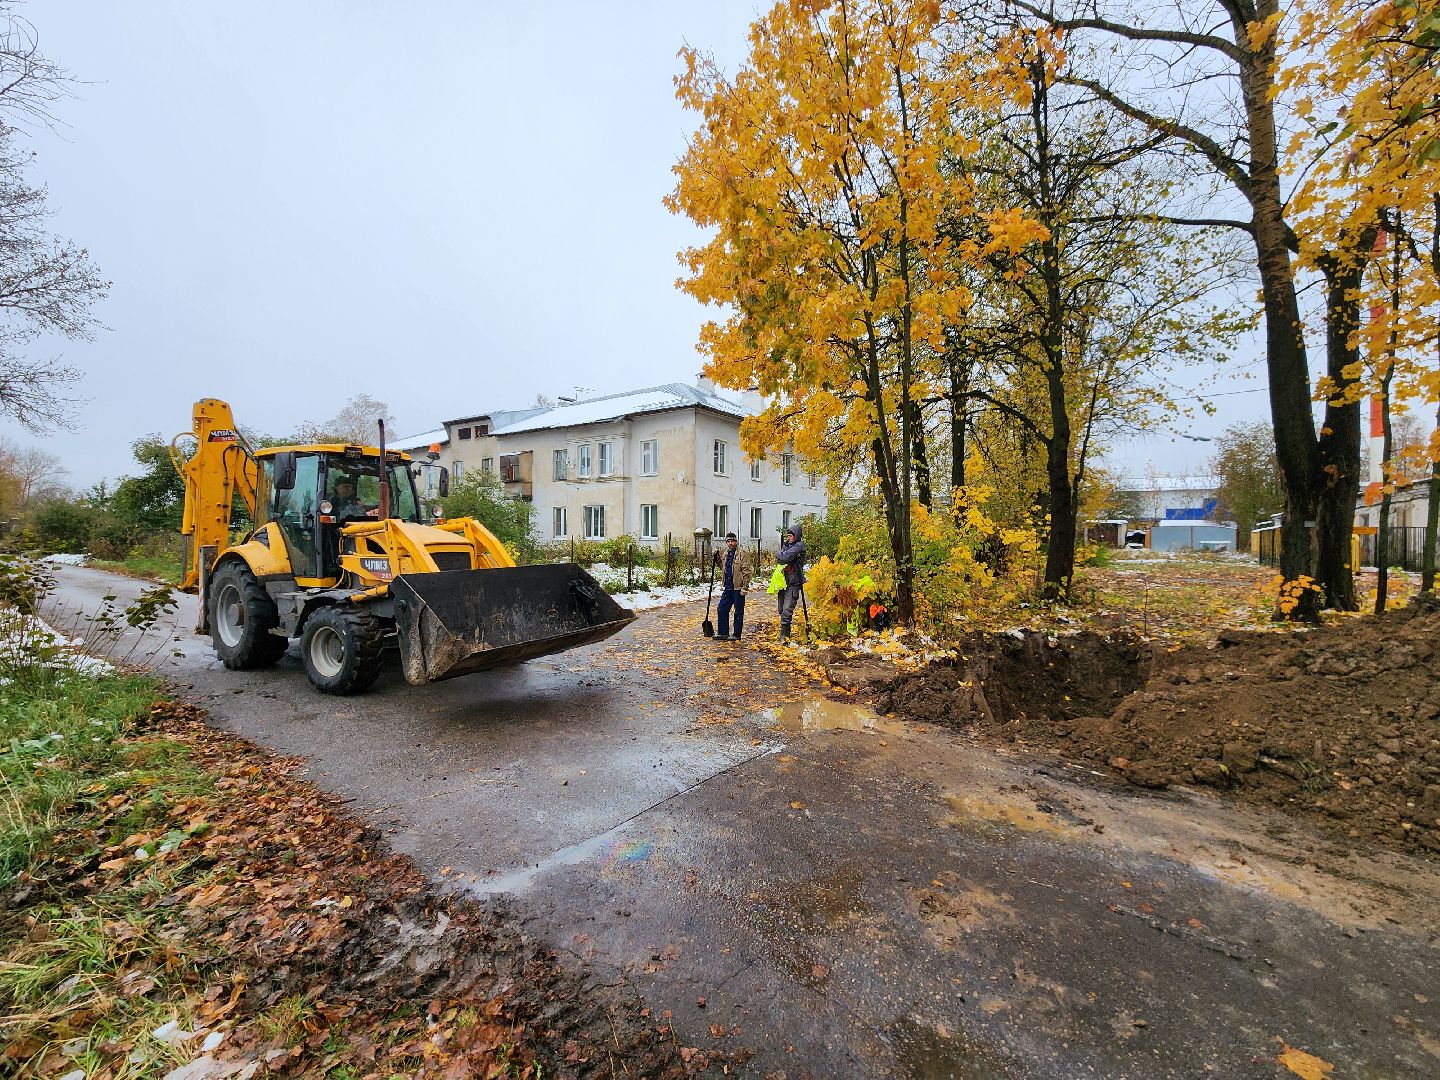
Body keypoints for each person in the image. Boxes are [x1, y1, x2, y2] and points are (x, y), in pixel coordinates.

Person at [711, 531, 752, 642]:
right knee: (722, 608)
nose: (730, 543)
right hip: (728, 588)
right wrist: (717, 559)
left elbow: (747, 572)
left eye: (732, 541)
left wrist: (745, 587)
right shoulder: (725, 554)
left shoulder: (741, 554)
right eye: (728, 541)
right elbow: (724, 568)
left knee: (738, 611)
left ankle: (736, 634)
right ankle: (723, 632)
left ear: (736, 542)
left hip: (738, 588)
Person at [776, 523, 806, 642]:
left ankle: (784, 636)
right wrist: (781, 554)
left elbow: (784, 557)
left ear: (796, 536)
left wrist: (779, 553)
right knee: (781, 609)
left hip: (793, 582)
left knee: (787, 609)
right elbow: (781, 558)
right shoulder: (786, 546)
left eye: (790, 536)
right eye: (787, 536)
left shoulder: (800, 546)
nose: (788, 538)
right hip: (783, 581)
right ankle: (786, 630)